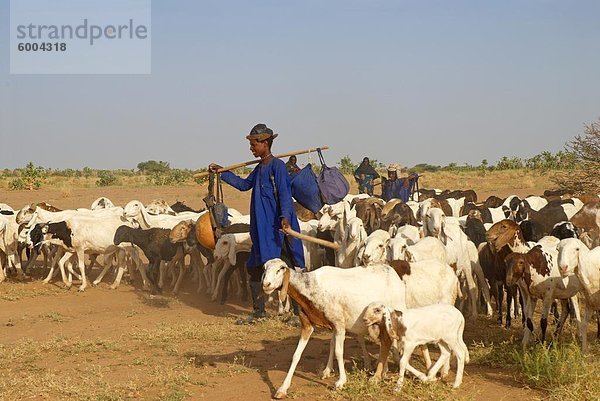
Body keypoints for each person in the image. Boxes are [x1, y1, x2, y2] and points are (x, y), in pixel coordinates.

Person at [209, 123, 305, 325]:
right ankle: (259, 312)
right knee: (254, 267)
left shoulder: (277, 167)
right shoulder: (260, 167)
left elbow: (286, 196)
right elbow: (244, 185)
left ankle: (298, 314)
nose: (251, 148)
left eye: (254, 144)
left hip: (277, 228)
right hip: (261, 228)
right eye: (251, 144)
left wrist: (285, 218)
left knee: (287, 269)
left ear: (265, 143)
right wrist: (222, 172)